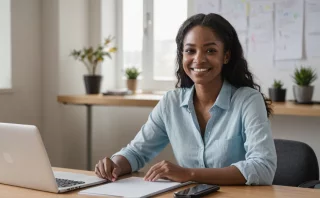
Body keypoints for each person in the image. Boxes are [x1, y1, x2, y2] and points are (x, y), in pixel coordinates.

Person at [95, 13, 277, 186]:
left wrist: (189, 174)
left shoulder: (248, 101)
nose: (199, 59)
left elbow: (263, 167)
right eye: (190, 50)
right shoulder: (171, 103)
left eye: (210, 51)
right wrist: (115, 163)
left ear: (226, 56)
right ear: (182, 55)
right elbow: (136, 152)